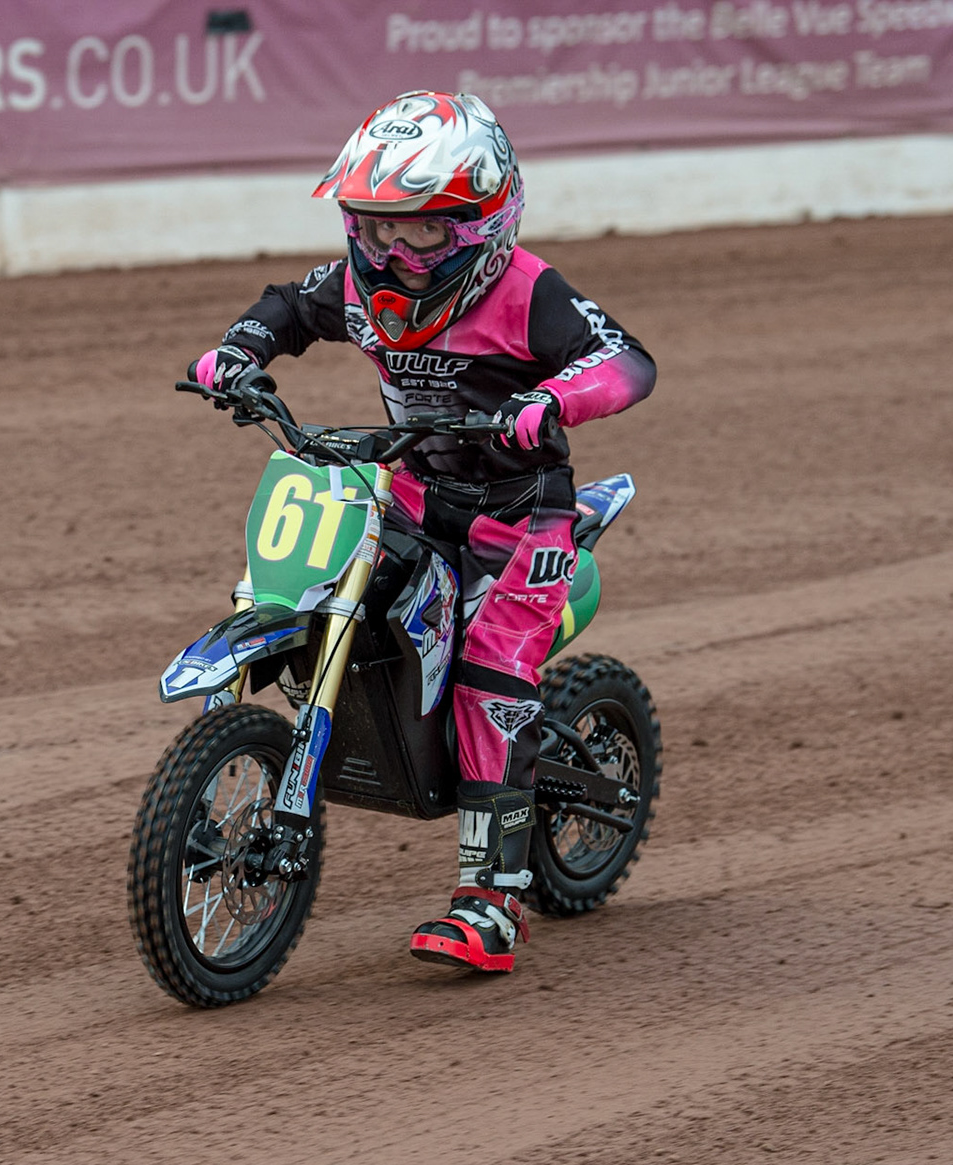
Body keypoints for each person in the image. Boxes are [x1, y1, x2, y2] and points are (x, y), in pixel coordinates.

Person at [187, 90, 656, 974]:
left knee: (487, 672)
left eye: (425, 233)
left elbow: (627, 361)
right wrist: (238, 353)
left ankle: (490, 902)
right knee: (322, 591)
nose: (395, 252)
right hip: (413, 496)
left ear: (483, 221)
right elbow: (287, 306)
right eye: (374, 226)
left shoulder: (526, 294)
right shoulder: (364, 282)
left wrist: (550, 398)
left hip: (522, 518)